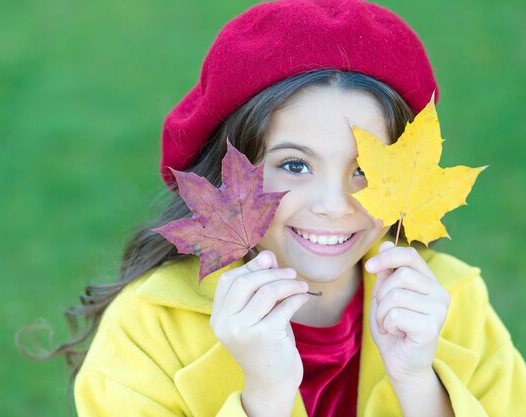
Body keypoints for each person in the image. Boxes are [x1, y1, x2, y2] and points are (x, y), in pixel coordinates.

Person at [68, 0, 526, 416]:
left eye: (363, 169)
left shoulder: (452, 303)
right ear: (229, 172)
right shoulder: (151, 326)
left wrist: (419, 386)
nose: (333, 205)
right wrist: (265, 395)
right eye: (294, 164)